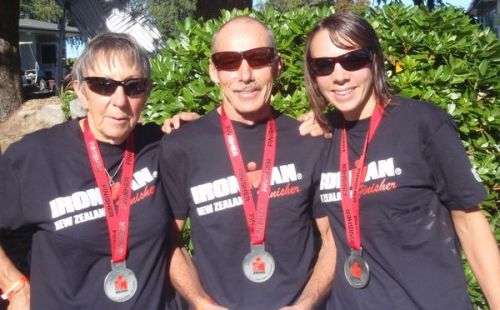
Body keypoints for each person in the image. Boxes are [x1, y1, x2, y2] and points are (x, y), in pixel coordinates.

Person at [303, 12, 500, 309]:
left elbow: (470, 224)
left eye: (353, 59)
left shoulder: (423, 123)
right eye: (324, 65)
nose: (339, 75)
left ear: (375, 60)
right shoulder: (322, 138)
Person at [160, 16, 336, 310]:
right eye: (229, 61)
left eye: (258, 59)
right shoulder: (181, 146)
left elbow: (332, 238)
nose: (245, 75)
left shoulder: (309, 140)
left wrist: (306, 304)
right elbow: (167, 242)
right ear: (214, 72)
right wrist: (201, 302)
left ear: (277, 66)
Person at [0, 32, 178, 309]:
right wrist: (14, 286)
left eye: (133, 86)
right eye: (103, 85)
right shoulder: (36, 156)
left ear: (148, 92)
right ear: (81, 92)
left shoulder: (161, 145)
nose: (120, 100)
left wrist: (194, 129)